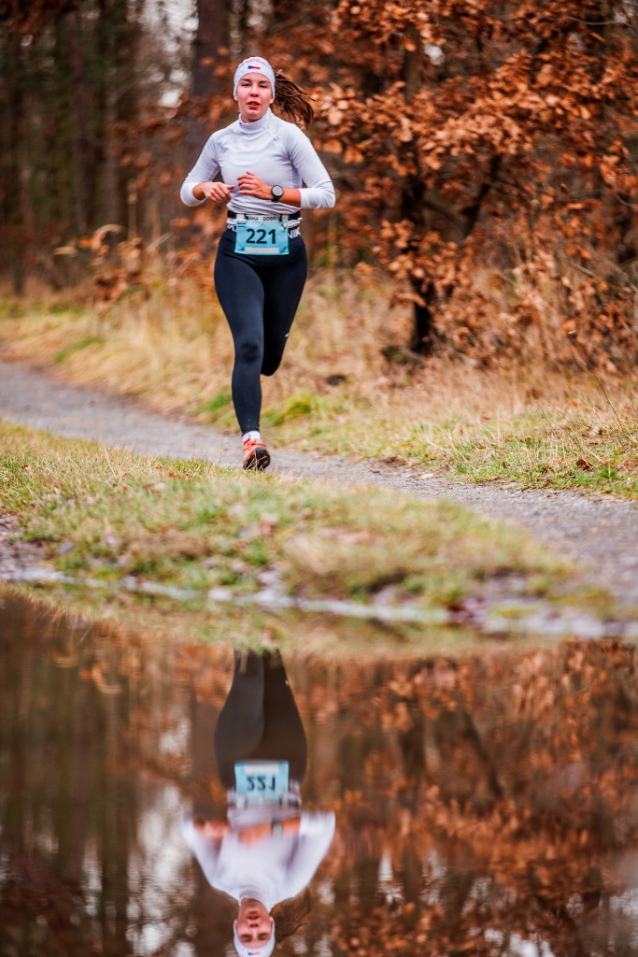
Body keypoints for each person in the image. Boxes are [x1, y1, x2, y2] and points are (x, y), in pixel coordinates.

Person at [180, 56, 336, 470]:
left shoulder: (289, 137)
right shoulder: (221, 140)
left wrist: (273, 192)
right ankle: (252, 441)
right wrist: (204, 188)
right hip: (237, 251)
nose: (253, 92)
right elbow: (185, 189)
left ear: (271, 94)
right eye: (246, 84)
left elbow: (326, 193)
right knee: (248, 343)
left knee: (268, 358)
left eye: (261, 85)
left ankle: (263, 371)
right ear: (235, 92)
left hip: (287, 254)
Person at [182, 650, 335, 955]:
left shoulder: (220, 878)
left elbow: (188, 828)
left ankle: (242, 607)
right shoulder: (288, 884)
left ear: (236, 928)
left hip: (235, 765)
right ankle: (264, 607)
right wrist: (271, 828)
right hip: (287, 760)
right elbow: (325, 826)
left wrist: (208, 829)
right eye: (262, 935)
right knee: (274, 664)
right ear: (271, 925)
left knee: (249, 678)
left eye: (247, 936)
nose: (254, 929)